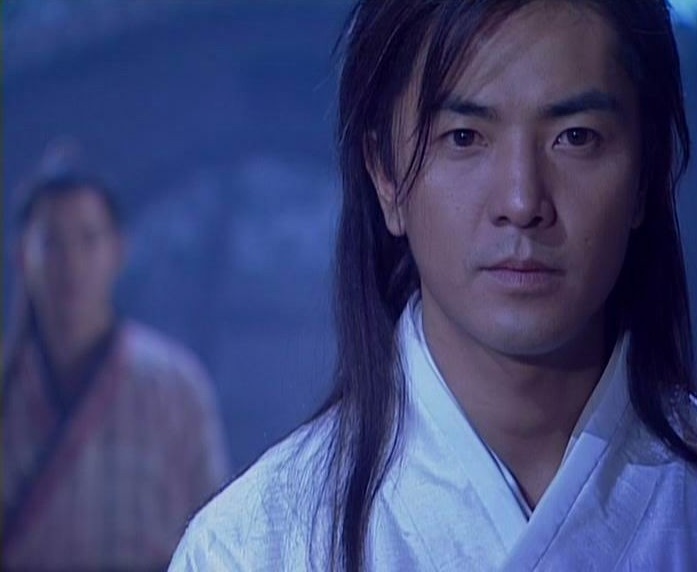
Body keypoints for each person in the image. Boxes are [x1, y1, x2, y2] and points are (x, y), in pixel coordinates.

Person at [170, 0, 697, 570]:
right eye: (464, 137)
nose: (522, 202)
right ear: (386, 177)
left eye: (575, 137)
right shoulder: (252, 547)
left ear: (647, 173)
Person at [2, 171, 230, 571]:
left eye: (88, 240)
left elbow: (215, 533)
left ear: (118, 251)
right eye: (52, 243)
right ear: (23, 256)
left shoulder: (175, 386)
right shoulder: (9, 386)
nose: (71, 263)